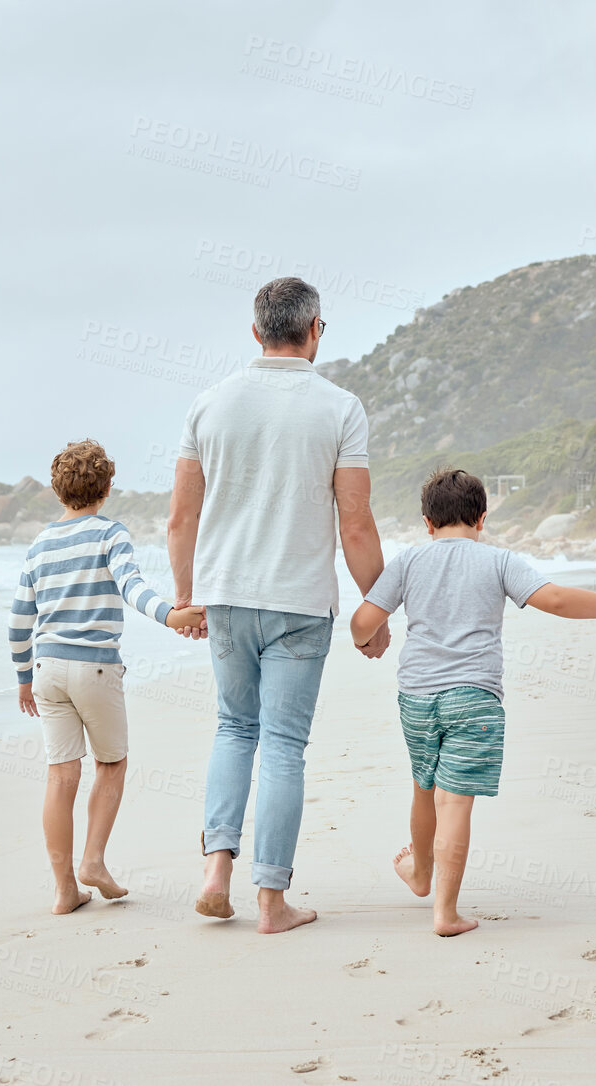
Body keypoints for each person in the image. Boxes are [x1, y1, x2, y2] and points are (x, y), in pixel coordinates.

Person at [166, 276, 389, 934]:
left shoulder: (210, 404)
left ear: (256, 331)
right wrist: (374, 611)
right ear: (315, 328)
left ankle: (215, 871)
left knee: (234, 729)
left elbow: (181, 518)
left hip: (228, 596)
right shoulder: (340, 409)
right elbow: (356, 525)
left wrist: (186, 596)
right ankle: (271, 901)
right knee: (284, 746)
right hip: (299, 603)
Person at [349, 469, 596, 936]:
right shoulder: (497, 560)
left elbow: (362, 622)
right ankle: (446, 913)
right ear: (481, 519)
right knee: (454, 801)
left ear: (427, 523)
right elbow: (555, 600)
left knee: (424, 785)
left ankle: (420, 873)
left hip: (416, 697)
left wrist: (365, 641)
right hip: (473, 697)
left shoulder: (409, 561)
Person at [10, 439, 205, 914]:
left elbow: (19, 618)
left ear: (59, 492)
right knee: (111, 764)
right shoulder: (110, 533)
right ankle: (92, 862)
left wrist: (22, 678)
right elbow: (132, 588)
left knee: (60, 776)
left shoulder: (39, 545)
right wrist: (171, 616)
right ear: (107, 487)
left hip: (47, 669)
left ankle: (63, 891)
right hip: (95, 667)